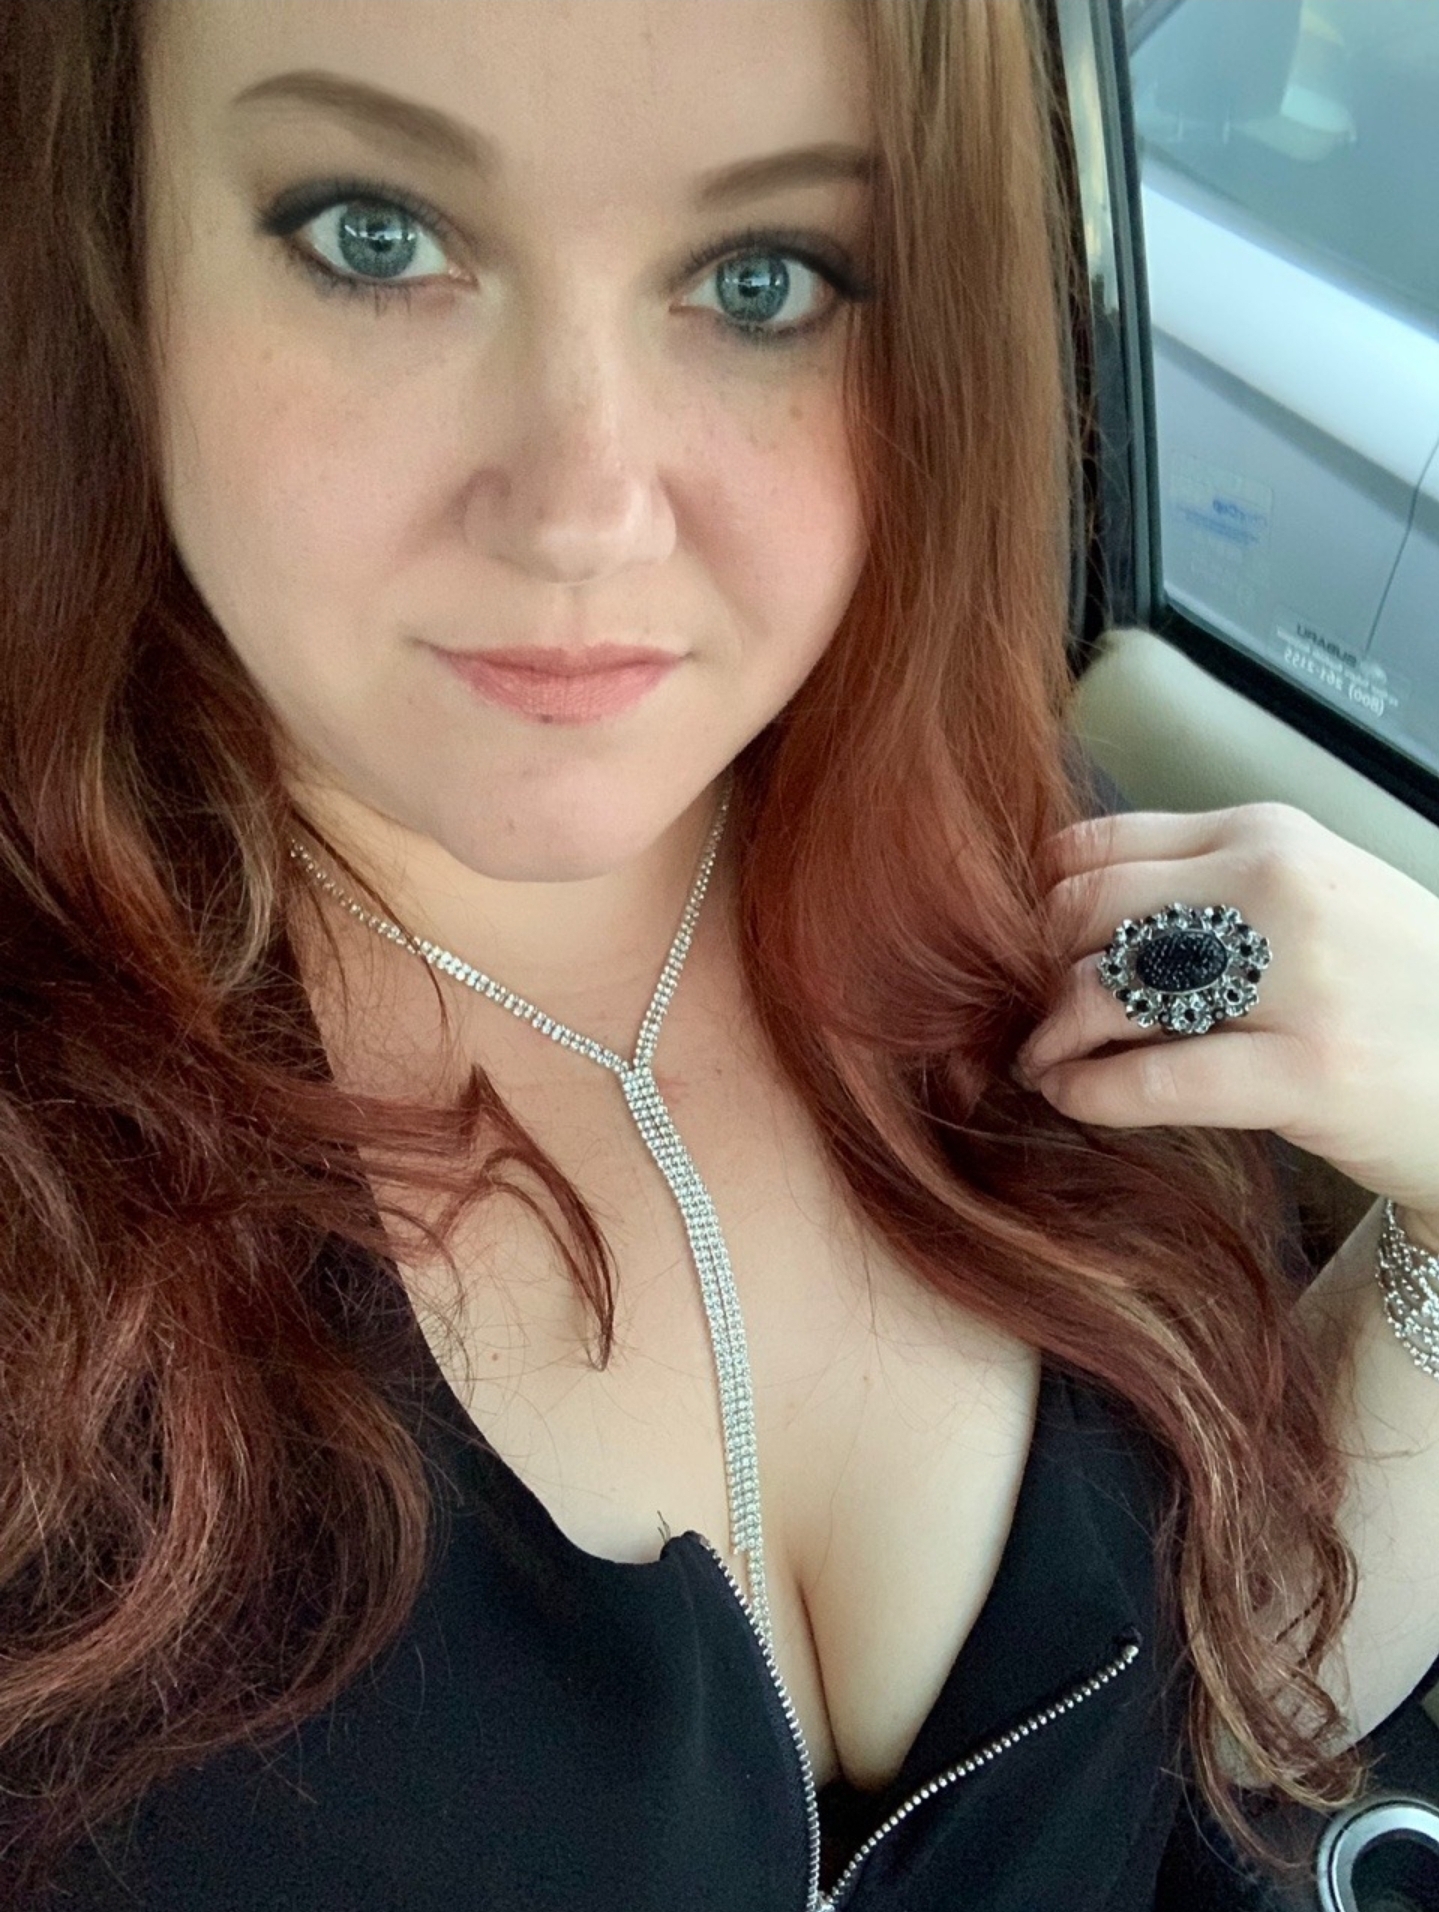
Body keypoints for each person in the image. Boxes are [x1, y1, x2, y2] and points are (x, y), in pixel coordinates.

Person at [3, 0, 1438, 1905]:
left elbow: (1215, 1717)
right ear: (111, 246)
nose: (585, 514)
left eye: (764, 277)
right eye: (374, 234)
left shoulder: (1010, 874)